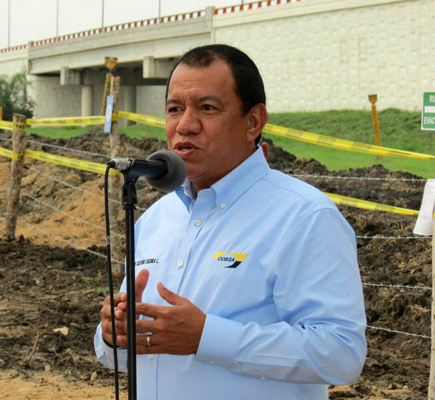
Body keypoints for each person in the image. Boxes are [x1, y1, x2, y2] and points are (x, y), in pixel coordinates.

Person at [94, 44, 366, 400]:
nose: (185, 125)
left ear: (253, 122)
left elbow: (341, 353)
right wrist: (112, 336)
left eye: (207, 108)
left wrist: (206, 337)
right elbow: (121, 356)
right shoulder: (156, 218)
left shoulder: (304, 217)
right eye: (175, 109)